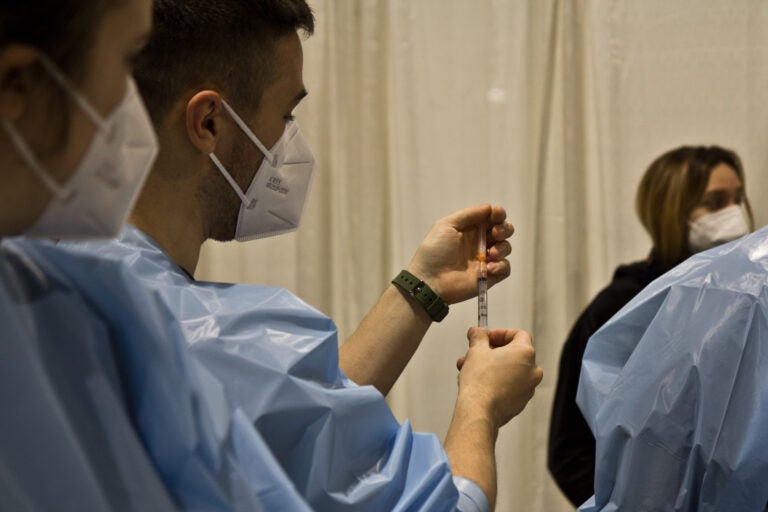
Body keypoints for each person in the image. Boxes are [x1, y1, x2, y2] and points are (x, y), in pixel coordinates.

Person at [26, 0, 544, 510]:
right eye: (286, 112)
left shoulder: (48, 283)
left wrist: (421, 285)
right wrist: (481, 405)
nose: (289, 142)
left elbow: (287, 423)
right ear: (208, 121)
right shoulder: (211, 337)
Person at [0, 1, 313, 510]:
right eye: (127, 63)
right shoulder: (92, 317)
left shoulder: (78, 306)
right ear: (18, 85)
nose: (138, 101)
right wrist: (475, 409)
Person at [548, 145, 754, 507]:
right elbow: (571, 449)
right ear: (671, 211)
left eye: (738, 198)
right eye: (715, 202)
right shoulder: (625, 308)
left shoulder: (748, 300)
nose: (734, 214)